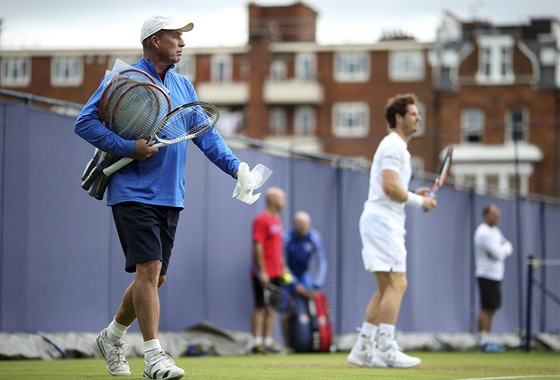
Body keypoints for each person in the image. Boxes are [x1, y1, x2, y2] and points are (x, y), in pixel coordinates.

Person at [74, 15, 243, 379]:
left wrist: (236, 168)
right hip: (131, 192)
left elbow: (205, 135)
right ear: (154, 41)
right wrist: (127, 148)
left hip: (171, 196)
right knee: (149, 270)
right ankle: (154, 357)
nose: (182, 43)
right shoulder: (122, 79)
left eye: (183, 37)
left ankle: (112, 335)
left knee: (154, 278)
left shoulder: (183, 86)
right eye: (176, 36)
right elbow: (84, 122)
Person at [347, 93, 437, 369]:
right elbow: (390, 187)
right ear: (398, 118)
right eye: (413, 114)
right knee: (398, 283)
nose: (418, 118)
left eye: (418, 114)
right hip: (383, 222)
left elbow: (393, 187)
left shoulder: (396, 147)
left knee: (386, 287)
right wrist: (420, 200)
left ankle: (363, 347)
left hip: (381, 220)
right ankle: (386, 346)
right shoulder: (393, 146)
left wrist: (411, 192)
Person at [282, 211, 328, 347]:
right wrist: (294, 283)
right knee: (285, 311)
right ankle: (287, 345)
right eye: (300, 224)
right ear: (294, 224)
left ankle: (312, 340)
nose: (303, 227)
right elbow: (282, 263)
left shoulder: (315, 238)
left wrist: (317, 285)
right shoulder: (286, 238)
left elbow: (322, 262)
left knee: (311, 305)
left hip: (303, 276)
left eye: (306, 224)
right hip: (287, 277)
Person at [250, 187, 288, 354]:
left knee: (272, 307)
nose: (284, 200)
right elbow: (258, 245)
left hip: (277, 272)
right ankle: (257, 342)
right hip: (262, 272)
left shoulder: (277, 220)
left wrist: (283, 266)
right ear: (272, 200)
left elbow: (277, 247)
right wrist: (263, 271)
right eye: (281, 197)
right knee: (260, 306)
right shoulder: (261, 220)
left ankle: (268, 340)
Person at [474, 204, 513, 353]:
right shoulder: (483, 232)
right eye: (494, 214)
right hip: (486, 275)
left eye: (498, 214)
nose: (497, 217)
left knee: (492, 308)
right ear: (486, 215)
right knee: (486, 308)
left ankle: (487, 340)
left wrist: (502, 248)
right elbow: (498, 254)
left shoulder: (495, 231)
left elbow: (509, 247)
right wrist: (502, 248)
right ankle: (483, 341)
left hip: (496, 275)